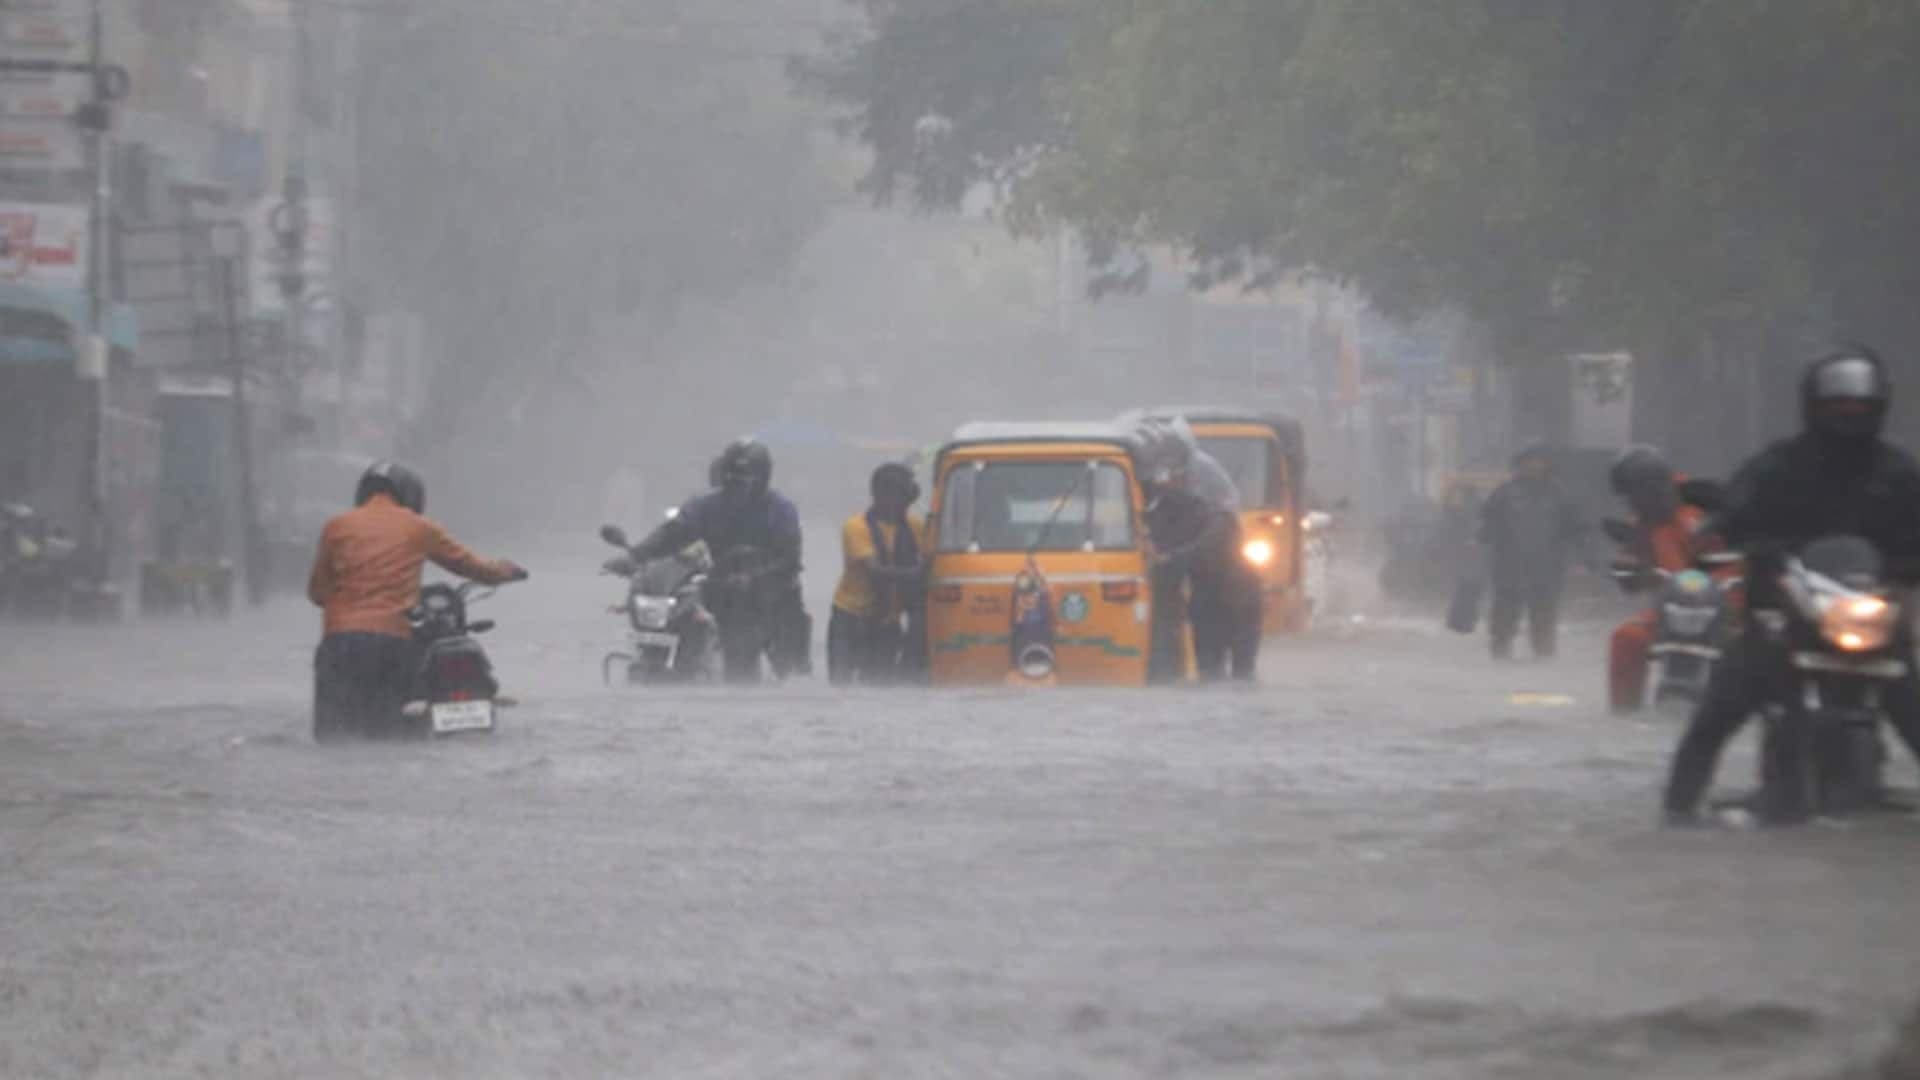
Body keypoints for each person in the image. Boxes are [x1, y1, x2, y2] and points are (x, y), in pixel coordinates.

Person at [1663, 346, 1920, 823]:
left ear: (1879, 407)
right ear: (1814, 406)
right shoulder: (1779, 465)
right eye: (1838, 405)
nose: (1849, 414)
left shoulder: (1899, 474)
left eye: (1860, 406)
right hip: (1784, 614)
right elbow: (1735, 506)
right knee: (1715, 714)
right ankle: (1677, 812)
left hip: (1871, 617)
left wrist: (1906, 572)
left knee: (1909, 700)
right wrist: (1722, 527)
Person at [307, 461, 526, 742]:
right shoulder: (418, 527)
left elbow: (316, 592)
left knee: (334, 739)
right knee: (393, 738)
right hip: (391, 643)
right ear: (410, 494)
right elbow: (469, 565)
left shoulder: (336, 527)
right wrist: (504, 571)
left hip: (339, 645)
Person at [627, 438, 813, 679]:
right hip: (723, 592)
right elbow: (673, 533)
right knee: (696, 622)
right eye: (730, 477)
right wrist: (636, 555)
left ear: (762, 478)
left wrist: (753, 577)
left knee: (786, 669)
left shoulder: (781, 510)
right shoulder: (707, 506)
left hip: (773, 594)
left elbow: (790, 559)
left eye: (744, 478)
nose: (735, 485)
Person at [1605, 445, 1708, 713]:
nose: (1632, 503)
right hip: (1670, 610)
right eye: (1628, 497)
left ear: (1651, 487)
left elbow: (1737, 559)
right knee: (1626, 638)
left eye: (1634, 495)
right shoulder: (1642, 523)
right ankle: (1624, 712)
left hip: (1725, 609)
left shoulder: (1704, 508)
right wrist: (1627, 571)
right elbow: (1633, 570)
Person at [1143, 451, 1262, 682]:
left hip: (1237, 603)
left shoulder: (1221, 520)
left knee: (1239, 672)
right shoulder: (1182, 510)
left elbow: (1203, 550)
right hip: (1208, 601)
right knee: (1209, 670)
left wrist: (1168, 560)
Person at [1478, 445, 1585, 659]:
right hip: (1509, 566)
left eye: (1539, 461)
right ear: (1518, 465)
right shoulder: (1504, 493)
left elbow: (1574, 528)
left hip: (1547, 567)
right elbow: (1487, 523)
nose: (1534, 466)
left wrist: (1583, 558)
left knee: (1544, 615)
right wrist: (1482, 536)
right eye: (1528, 461)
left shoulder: (1559, 494)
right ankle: (1500, 653)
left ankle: (1544, 655)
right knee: (1504, 615)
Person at [828, 463, 926, 685]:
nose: (905, 504)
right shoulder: (855, 527)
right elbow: (875, 572)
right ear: (881, 495)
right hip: (850, 619)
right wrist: (917, 574)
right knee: (840, 686)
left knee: (880, 687)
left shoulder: (915, 527)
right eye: (901, 496)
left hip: (887, 621)